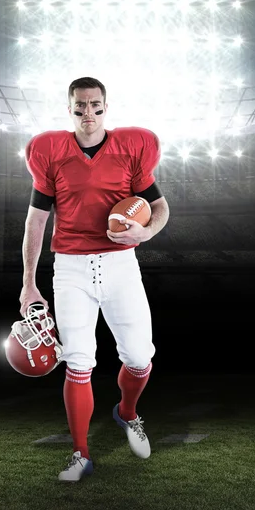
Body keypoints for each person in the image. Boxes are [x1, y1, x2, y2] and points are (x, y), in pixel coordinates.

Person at [19, 76, 170, 481]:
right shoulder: (49, 150)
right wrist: (28, 282)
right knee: (79, 362)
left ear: (106, 106)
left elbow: (159, 205)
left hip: (121, 264)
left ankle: (127, 413)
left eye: (95, 105)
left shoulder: (131, 146)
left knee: (139, 358)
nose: (89, 113)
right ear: (69, 108)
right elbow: (37, 219)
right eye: (80, 106)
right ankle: (80, 454)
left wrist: (147, 231)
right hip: (70, 267)